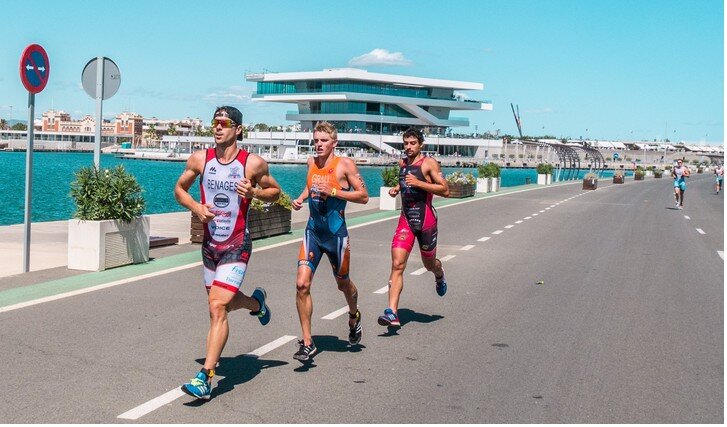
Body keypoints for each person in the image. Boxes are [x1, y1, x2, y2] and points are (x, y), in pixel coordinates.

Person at [173, 106, 281, 399]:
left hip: (236, 243)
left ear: (238, 130)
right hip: (210, 246)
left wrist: (255, 193)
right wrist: (196, 207)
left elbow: (275, 192)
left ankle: (205, 377)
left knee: (217, 306)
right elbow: (179, 189)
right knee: (220, 304)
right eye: (215, 122)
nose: (218, 127)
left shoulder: (252, 164)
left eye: (224, 123)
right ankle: (256, 305)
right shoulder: (200, 159)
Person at [291, 121, 369, 361]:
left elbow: (364, 196)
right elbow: (310, 185)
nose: (318, 145)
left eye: (323, 141)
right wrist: (301, 198)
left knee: (343, 283)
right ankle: (307, 342)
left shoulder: (345, 165)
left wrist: (334, 192)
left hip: (336, 236)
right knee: (302, 284)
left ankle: (354, 315)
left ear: (334, 142)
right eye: (315, 140)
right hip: (313, 232)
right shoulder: (311, 163)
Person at [378, 128, 450, 328]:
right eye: (406, 143)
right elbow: (405, 181)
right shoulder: (403, 163)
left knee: (429, 264)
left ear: (421, 144)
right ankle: (392, 312)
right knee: (397, 264)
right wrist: (397, 188)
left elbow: (445, 189)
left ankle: (439, 273)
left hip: (426, 221)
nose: (408, 147)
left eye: (412, 143)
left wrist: (419, 183)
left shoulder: (429, 164)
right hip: (406, 221)